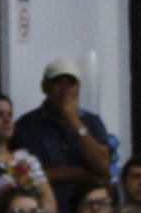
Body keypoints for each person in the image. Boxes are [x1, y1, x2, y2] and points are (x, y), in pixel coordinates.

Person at [14, 58, 118, 193]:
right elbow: (24, 175)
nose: (64, 91)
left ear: (78, 88)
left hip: (90, 203)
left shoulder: (92, 121)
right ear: (44, 87)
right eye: (57, 83)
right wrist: (80, 173)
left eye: (70, 84)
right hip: (47, 202)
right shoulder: (26, 125)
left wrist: (75, 122)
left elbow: (103, 166)